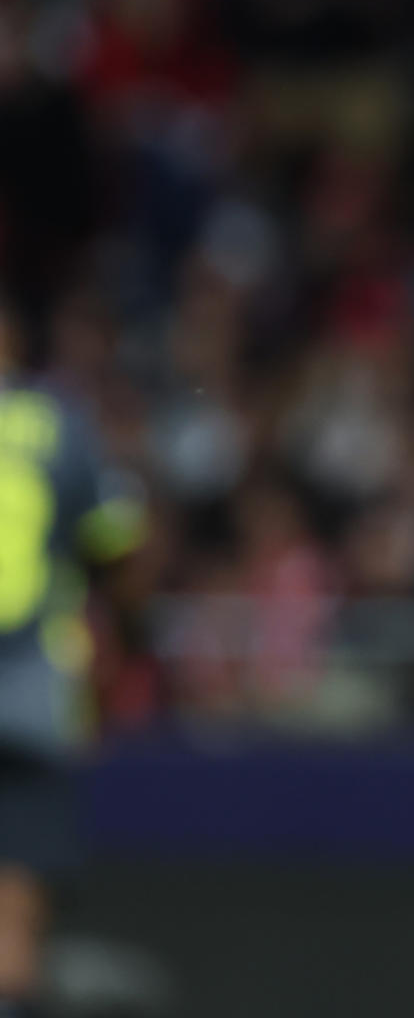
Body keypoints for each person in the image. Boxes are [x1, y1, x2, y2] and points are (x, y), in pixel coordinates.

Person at [0, 304, 143, 1018]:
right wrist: (118, 633)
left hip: (29, 690)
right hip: (28, 694)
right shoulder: (59, 424)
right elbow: (118, 544)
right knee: (14, 891)